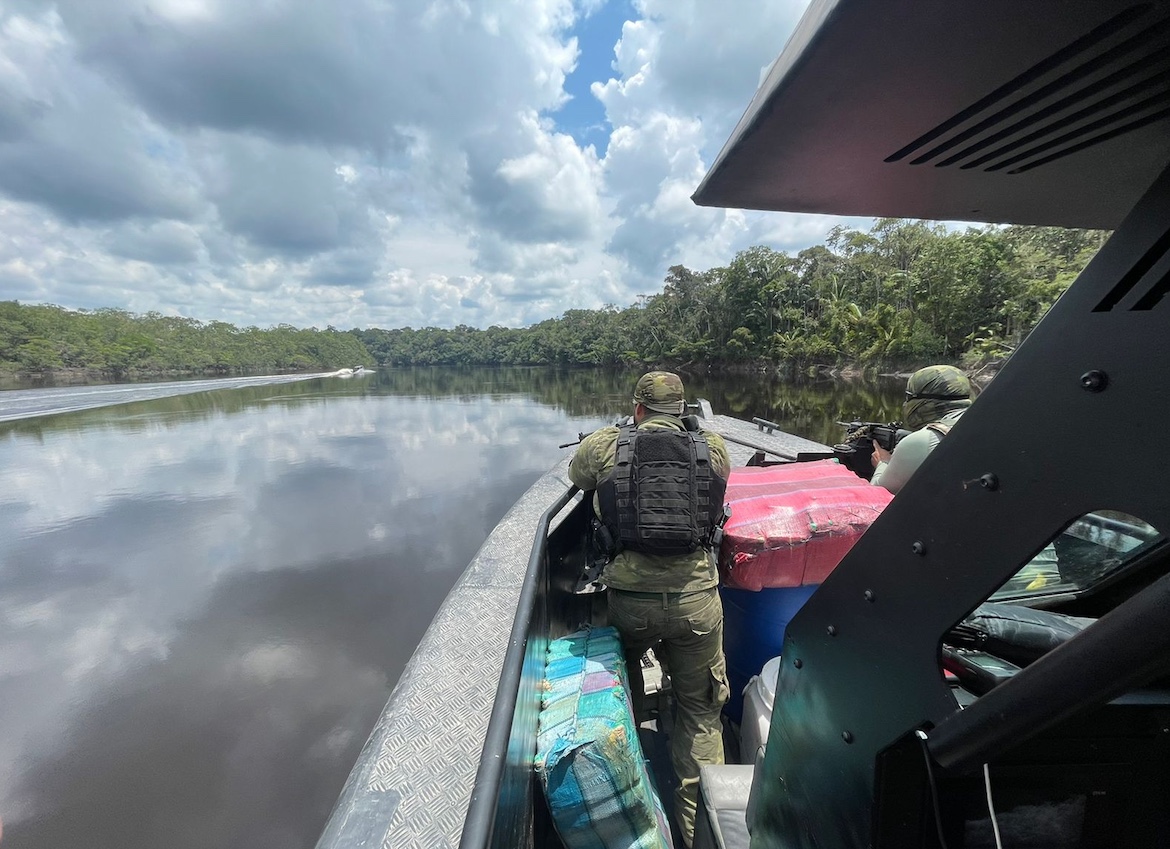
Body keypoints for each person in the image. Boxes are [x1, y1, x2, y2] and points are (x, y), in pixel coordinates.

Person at [568, 371, 731, 848]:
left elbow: (577, 476)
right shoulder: (713, 447)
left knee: (624, 698)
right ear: (681, 409)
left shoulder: (605, 444)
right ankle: (702, 834)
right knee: (700, 712)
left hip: (629, 601)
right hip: (696, 601)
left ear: (637, 408)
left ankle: (636, 809)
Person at [871, 364, 972, 494]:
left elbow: (880, 493)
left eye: (908, 397)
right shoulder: (982, 423)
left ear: (922, 401)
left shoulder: (923, 440)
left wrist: (882, 462)